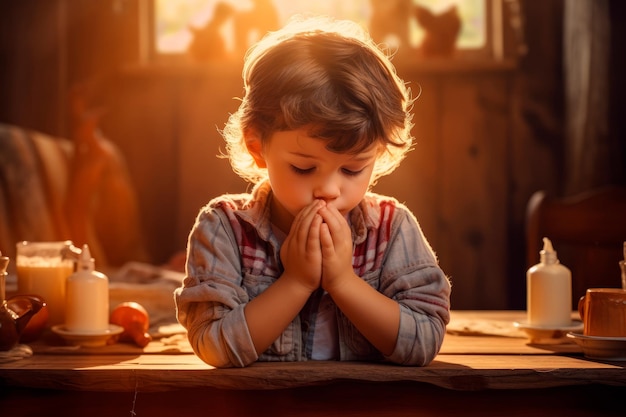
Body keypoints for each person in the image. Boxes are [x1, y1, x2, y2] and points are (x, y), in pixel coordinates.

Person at [174, 16, 451, 368]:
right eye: (304, 168)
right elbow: (213, 346)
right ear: (258, 147)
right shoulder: (225, 229)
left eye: (352, 169)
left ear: (377, 154)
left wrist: (343, 282)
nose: (329, 190)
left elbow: (424, 341)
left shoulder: (391, 229)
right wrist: (296, 282)